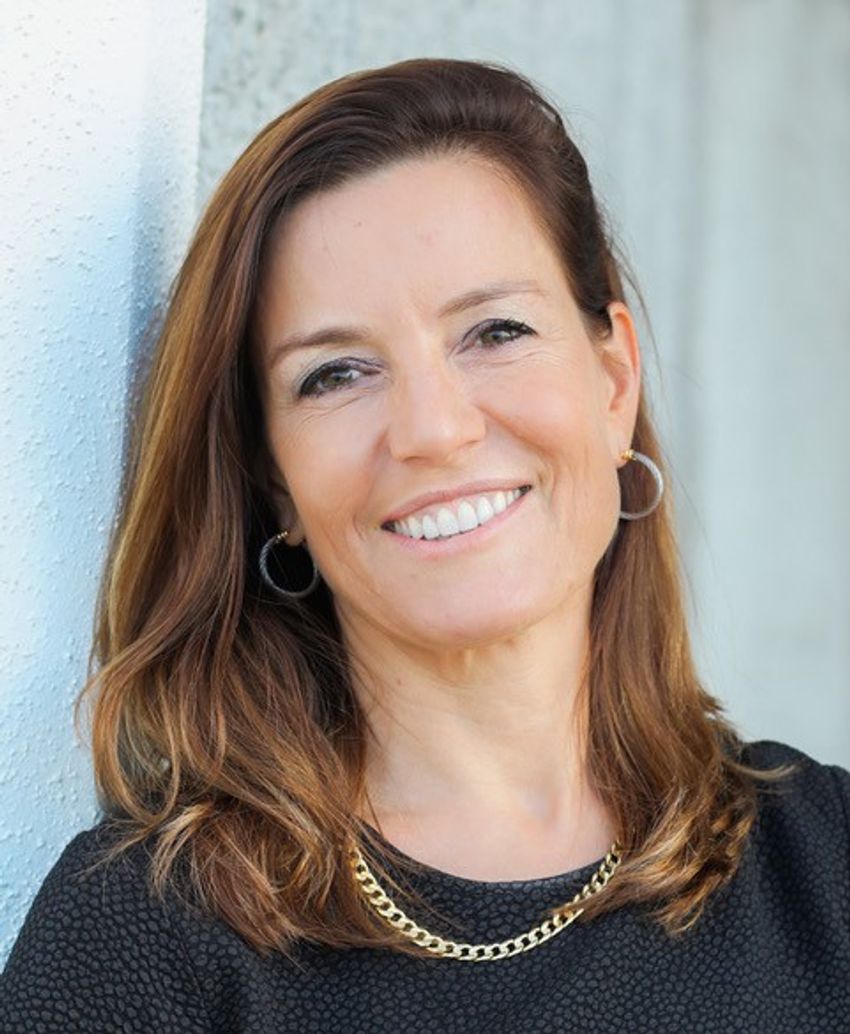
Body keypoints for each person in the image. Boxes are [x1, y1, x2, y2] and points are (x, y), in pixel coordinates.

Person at [1, 56, 848, 1033]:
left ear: (613, 383)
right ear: (274, 478)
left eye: (494, 329)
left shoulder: (823, 867)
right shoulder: (150, 934)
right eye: (335, 373)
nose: (433, 428)